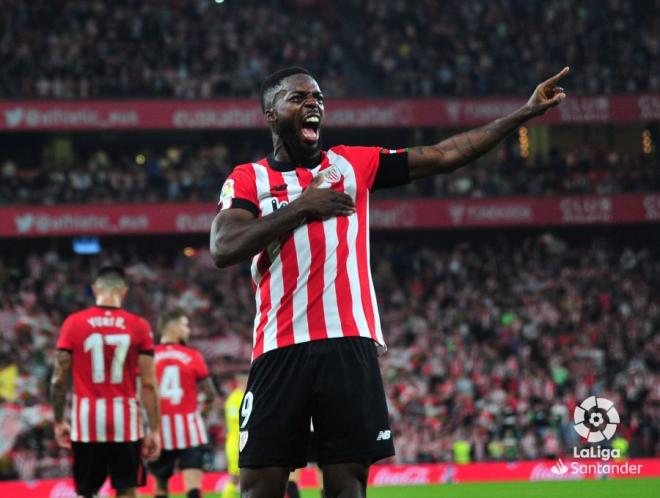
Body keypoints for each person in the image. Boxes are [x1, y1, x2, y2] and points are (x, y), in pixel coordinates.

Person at [209, 65, 569, 498]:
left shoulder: (352, 163)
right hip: (279, 348)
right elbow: (223, 247)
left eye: (318, 98)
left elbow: (442, 155)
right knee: (259, 488)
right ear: (271, 114)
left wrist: (523, 113)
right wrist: (302, 207)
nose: (314, 104)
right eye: (299, 97)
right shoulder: (249, 178)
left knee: (348, 487)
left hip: (349, 345)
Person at [50, 266, 161, 498]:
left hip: (86, 422)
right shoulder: (139, 326)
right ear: (123, 291)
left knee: (88, 491)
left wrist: (59, 420)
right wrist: (155, 430)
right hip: (126, 423)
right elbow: (149, 384)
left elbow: (59, 378)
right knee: (127, 489)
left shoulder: (73, 323)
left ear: (95, 289)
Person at [150, 310, 217, 498]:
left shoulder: (149, 357)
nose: (188, 330)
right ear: (173, 327)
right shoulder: (193, 356)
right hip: (189, 430)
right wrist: (202, 413)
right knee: (194, 490)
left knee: (161, 489)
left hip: (159, 430)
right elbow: (210, 393)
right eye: (185, 325)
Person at [221, 372, 249, 498]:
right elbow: (236, 419)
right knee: (235, 477)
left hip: (246, 441)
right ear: (242, 382)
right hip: (235, 443)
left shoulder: (246, 396)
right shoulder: (233, 399)